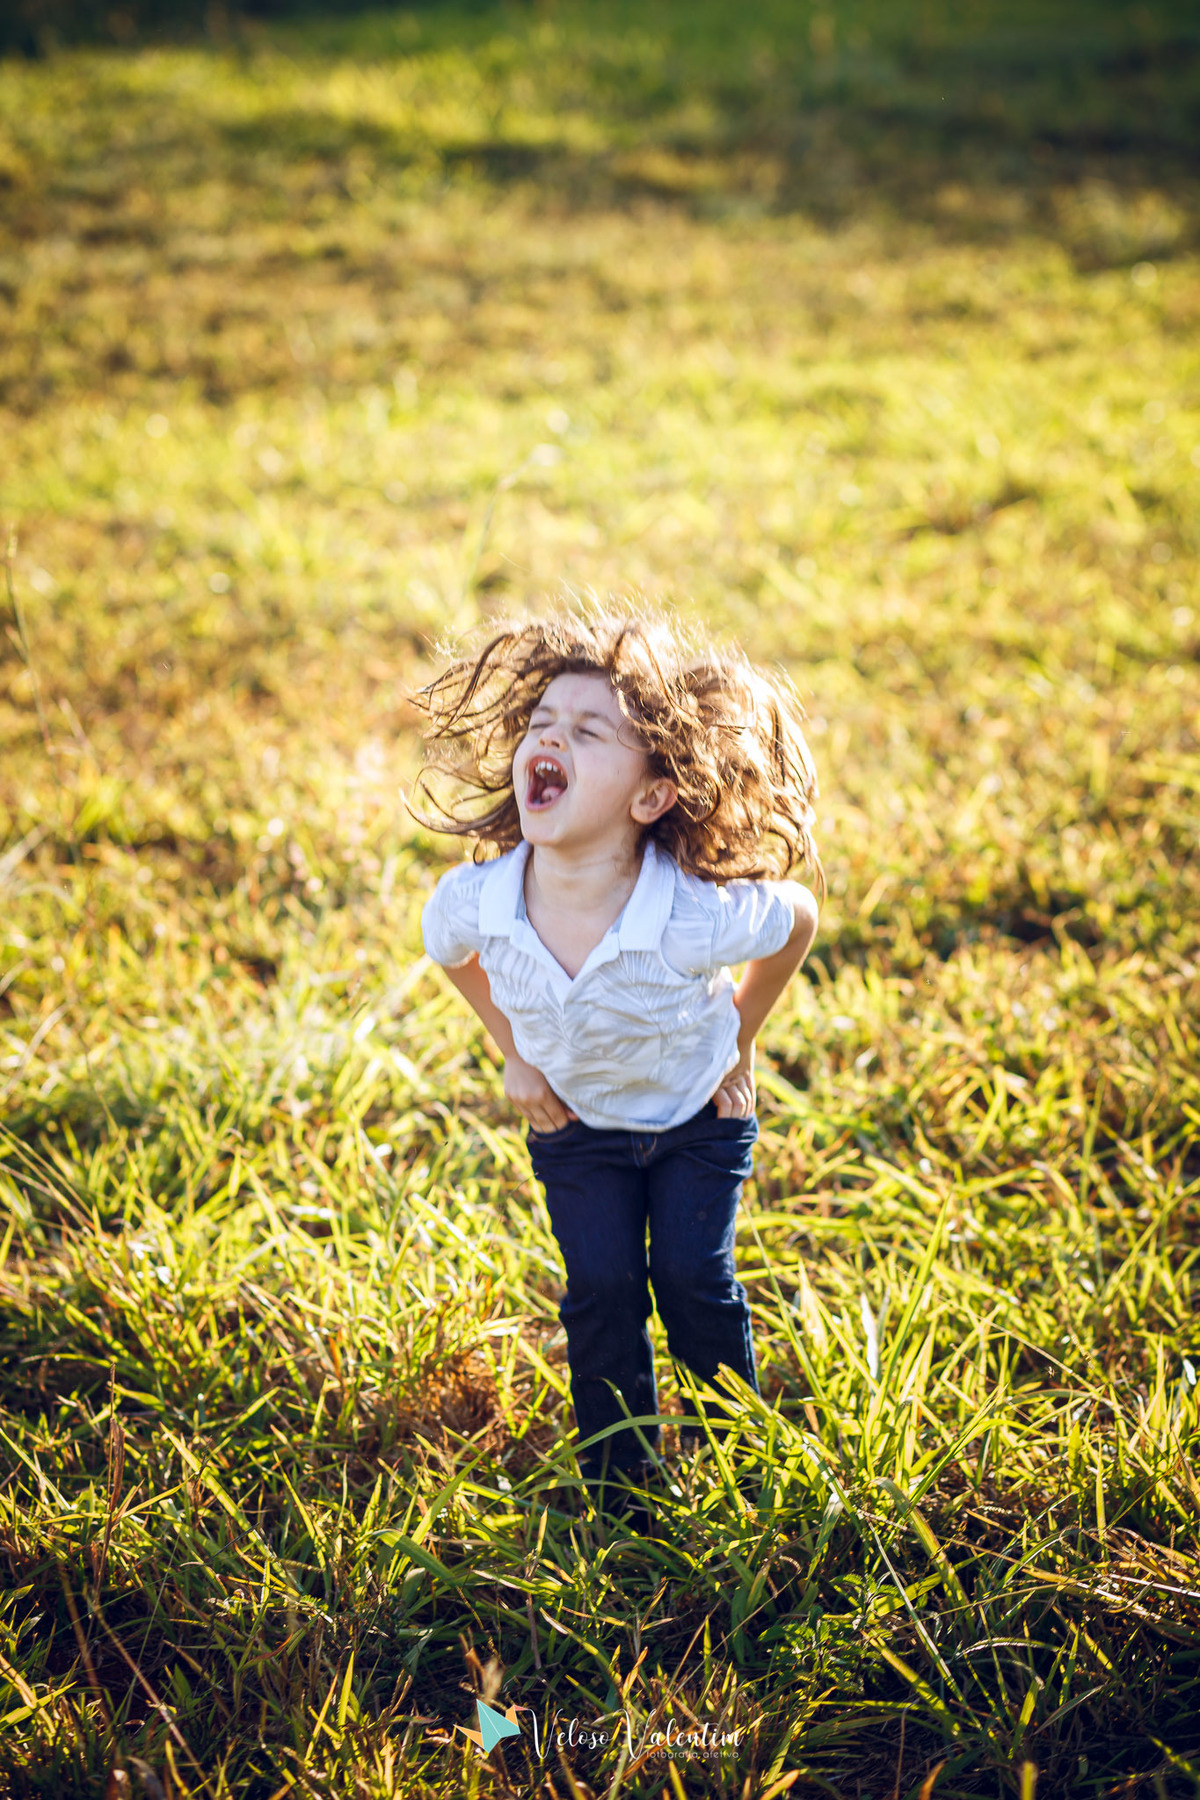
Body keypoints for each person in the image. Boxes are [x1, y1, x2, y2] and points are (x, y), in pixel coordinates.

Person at [409, 609, 822, 1506]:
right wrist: (514, 1055)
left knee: (691, 1283)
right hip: (579, 1128)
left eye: (588, 731)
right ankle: (620, 1486)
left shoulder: (690, 915)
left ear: (649, 798)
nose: (549, 737)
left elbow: (795, 917)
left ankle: (737, 1464)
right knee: (600, 1292)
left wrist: (740, 1036)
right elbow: (446, 950)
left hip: (694, 1125)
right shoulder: (481, 900)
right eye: (542, 724)